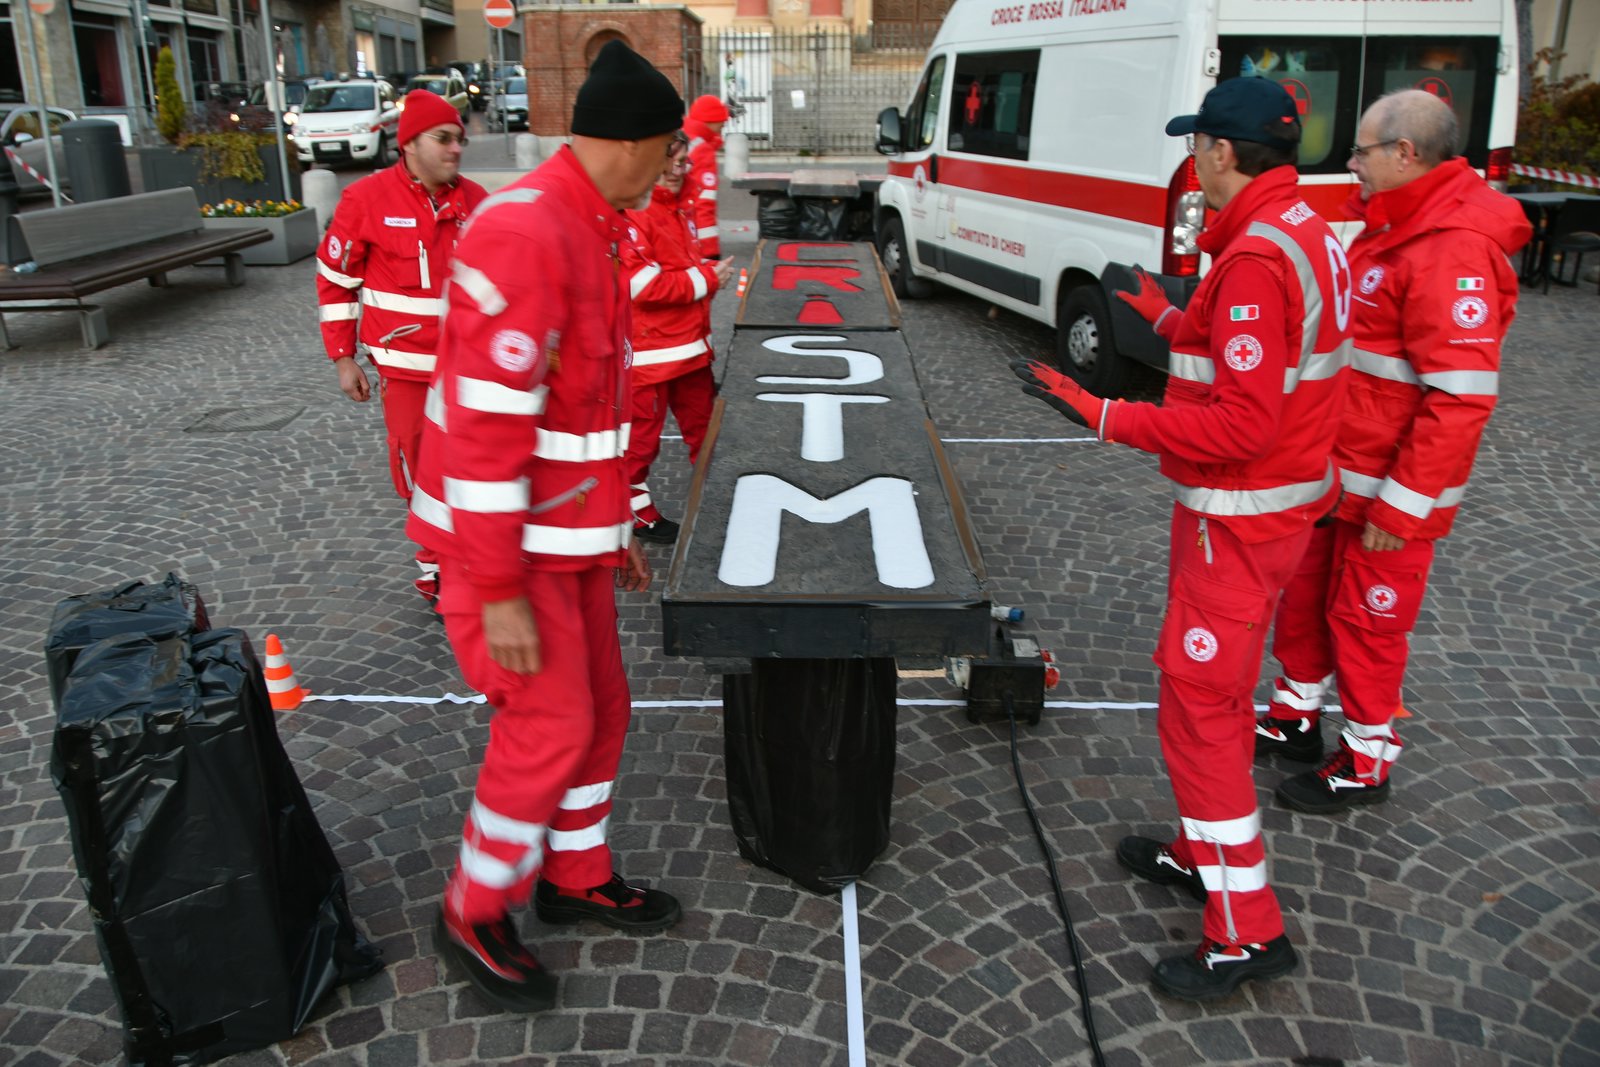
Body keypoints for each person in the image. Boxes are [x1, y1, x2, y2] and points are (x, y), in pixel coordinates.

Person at [1013, 77, 1352, 1001]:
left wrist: (1103, 414)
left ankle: (1246, 930)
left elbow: (1241, 420)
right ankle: (1202, 855)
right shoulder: (1304, 230)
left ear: (1222, 153)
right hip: (1270, 512)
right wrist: (1163, 314)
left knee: (1201, 716)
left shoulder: (1255, 258)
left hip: (1238, 520)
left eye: (1197, 143)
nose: (1191, 159)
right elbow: (1269, 361)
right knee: (1217, 699)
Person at [404, 40, 688, 1014]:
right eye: (671, 147)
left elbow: (581, 412)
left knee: (600, 708)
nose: (675, 165)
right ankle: (473, 906)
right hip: (504, 552)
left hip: (561, 541)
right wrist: (494, 588)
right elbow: (489, 431)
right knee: (550, 721)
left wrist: (613, 527)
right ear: (634, 142)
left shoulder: (588, 222)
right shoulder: (533, 232)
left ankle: (575, 876)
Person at [1256, 89, 1531, 811]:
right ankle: (1296, 716)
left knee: (1367, 625)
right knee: (1306, 598)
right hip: (1343, 474)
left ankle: (1365, 761)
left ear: (1405, 154)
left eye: (1362, 151)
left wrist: (1401, 506)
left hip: (1387, 494)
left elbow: (1460, 398)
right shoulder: (1398, 226)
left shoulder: (1452, 247)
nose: (1353, 163)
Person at [316, 90, 487, 607]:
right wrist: (343, 358)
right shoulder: (366, 200)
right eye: (444, 138)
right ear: (409, 143)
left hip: (471, 371)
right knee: (421, 470)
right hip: (407, 372)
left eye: (460, 139)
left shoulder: (477, 201)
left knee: (477, 468)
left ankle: (479, 561)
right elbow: (336, 281)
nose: (456, 148)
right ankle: (435, 571)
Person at [621, 132, 735, 545]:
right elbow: (642, 284)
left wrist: (704, 276)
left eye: (683, 161)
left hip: (689, 349)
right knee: (640, 443)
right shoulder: (634, 209)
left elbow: (678, 266)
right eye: (670, 161)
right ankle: (636, 513)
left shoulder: (677, 203)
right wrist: (708, 279)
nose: (677, 170)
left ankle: (727, 502)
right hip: (651, 356)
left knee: (707, 433)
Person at [682, 94, 729, 260]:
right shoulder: (703, 150)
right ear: (710, 121)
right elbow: (704, 202)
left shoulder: (680, 139)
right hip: (695, 235)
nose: (724, 124)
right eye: (721, 122)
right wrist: (710, 250)